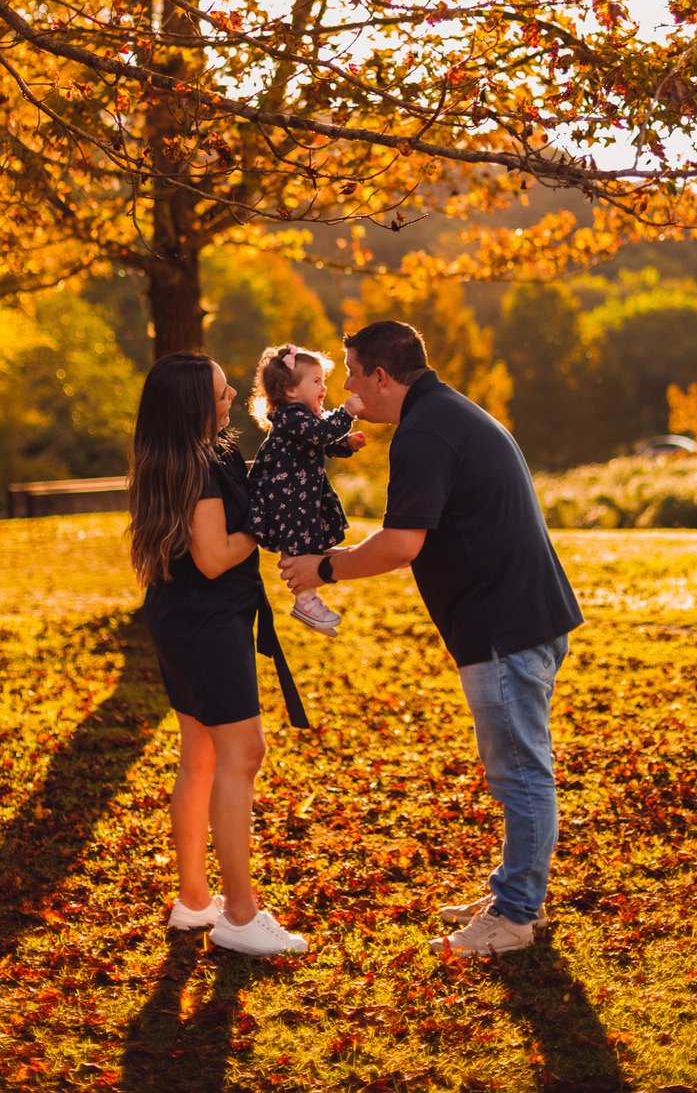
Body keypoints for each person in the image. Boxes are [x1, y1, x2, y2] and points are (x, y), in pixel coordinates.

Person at [280, 320, 582, 960]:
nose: (348, 389)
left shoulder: (422, 433)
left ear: (382, 377)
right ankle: (515, 891)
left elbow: (401, 545)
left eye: (354, 375)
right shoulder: (445, 413)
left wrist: (322, 567)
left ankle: (516, 915)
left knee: (520, 773)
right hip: (519, 614)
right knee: (518, 770)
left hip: (503, 624)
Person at [128, 351, 309, 958]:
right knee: (242, 751)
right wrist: (265, 522)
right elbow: (213, 556)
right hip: (206, 623)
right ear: (192, 408)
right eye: (222, 394)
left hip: (188, 618)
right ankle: (239, 912)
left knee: (201, 753)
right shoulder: (196, 468)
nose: (232, 398)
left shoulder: (202, 453)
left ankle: (194, 901)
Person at [247, 344, 367, 636]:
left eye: (322, 381)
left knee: (308, 538)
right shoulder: (290, 416)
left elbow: (321, 441)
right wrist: (346, 414)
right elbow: (318, 434)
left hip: (301, 494)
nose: (323, 388)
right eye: (316, 382)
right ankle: (305, 600)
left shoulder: (303, 418)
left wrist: (345, 444)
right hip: (286, 496)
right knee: (298, 544)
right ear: (289, 391)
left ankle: (316, 574)